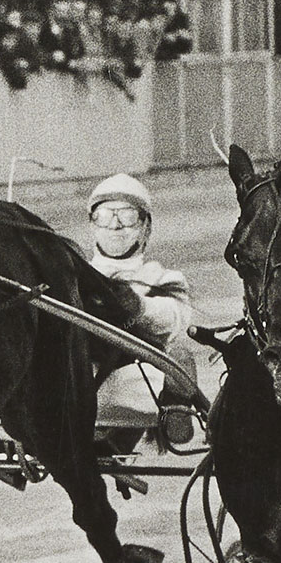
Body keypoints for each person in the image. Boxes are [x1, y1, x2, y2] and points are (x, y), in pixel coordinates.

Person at [87, 173, 200, 445]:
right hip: (82, 379)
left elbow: (175, 319)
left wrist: (139, 306)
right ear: (92, 224)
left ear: (145, 226)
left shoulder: (161, 277)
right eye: (104, 215)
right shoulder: (75, 274)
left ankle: (175, 414)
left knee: (180, 357)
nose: (115, 225)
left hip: (139, 386)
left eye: (126, 216)